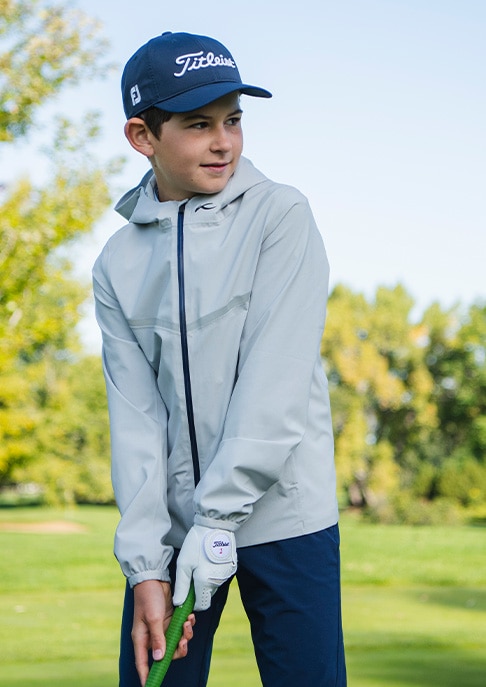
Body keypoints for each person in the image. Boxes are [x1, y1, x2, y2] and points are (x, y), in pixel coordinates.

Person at [93, 31, 346, 687]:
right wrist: (147, 563)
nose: (224, 141)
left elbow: (275, 383)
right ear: (142, 137)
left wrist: (218, 517)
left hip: (287, 519)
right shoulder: (116, 265)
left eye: (233, 119)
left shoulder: (280, 216)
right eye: (198, 124)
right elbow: (136, 421)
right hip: (175, 535)